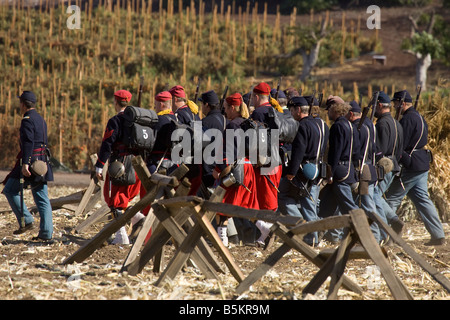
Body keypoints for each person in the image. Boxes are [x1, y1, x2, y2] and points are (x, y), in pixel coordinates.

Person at [384, 90, 446, 246]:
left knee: (391, 198)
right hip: (421, 164)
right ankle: (438, 235)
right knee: (422, 200)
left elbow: (401, 145)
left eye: (396, 103)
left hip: (411, 166)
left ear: (402, 103)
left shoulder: (407, 120)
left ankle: (387, 237)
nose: (394, 106)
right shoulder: (419, 117)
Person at [2, 91, 54, 241]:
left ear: (23, 104)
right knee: (42, 198)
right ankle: (46, 233)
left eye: (20, 103)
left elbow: (28, 143)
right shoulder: (40, 119)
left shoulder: (27, 120)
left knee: (10, 190)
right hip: (42, 162)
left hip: (31, 162)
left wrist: (25, 163)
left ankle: (27, 220)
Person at [94, 90, 143, 245]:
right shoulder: (138, 120)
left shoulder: (114, 121)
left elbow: (107, 144)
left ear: (116, 102)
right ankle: (137, 218)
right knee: (125, 198)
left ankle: (121, 236)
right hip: (137, 165)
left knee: (114, 200)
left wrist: (99, 165)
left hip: (120, 165)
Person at [213, 92, 259, 246]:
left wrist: (220, 170)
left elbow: (228, 152)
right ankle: (266, 228)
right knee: (247, 205)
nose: (224, 111)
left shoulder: (233, 125)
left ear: (233, 107)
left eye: (226, 108)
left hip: (236, 169)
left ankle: (223, 240)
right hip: (248, 168)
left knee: (222, 204)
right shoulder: (248, 122)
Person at [278, 96, 322, 246]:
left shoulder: (302, 126)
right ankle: (313, 238)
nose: (290, 113)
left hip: (302, 170)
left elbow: (299, 151)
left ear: (298, 110)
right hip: (315, 169)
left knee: (282, 195)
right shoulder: (317, 124)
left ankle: (300, 226)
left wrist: (292, 171)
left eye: (291, 110)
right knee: (309, 205)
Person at [318, 96, 360, 243]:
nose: (327, 113)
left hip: (340, 172)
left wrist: (330, 173)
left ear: (334, 109)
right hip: (349, 169)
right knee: (327, 206)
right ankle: (324, 235)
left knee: (350, 208)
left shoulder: (337, 127)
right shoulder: (352, 126)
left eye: (328, 109)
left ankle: (363, 232)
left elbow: (335, 152)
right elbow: (356, 151)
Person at [249, 82, 283, 245]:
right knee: (270, 200)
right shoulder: (275, 111)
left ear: (256, 97)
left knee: (263, 201)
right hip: (276, 162)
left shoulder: (258, 113)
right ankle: (264, 237)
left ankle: (268, 232)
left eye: (252, 97)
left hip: (264, 163)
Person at [347, 100, 381, 242]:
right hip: (369, 168)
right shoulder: (368, 126)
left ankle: (376, 235)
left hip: (363, 170)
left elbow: (357, 152)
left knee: (368, 204)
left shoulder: (359, 128)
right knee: (369, 203)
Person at [373, 91, 405, 239]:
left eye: (374, 106)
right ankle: (393, 221)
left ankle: (388, 227)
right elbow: (400, 151)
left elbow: (380, 150)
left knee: (374, 197)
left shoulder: (382, 123)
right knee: (376, 197)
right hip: (395, 165)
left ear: (379, 105)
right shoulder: (397, 123)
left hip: (384, 167)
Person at [199, 90, 228, 193]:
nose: (201, 106)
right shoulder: (225, 119)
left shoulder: (205, 122)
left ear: (206, 104)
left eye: (202, 103)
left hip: (208, 171)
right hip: (222, 169)